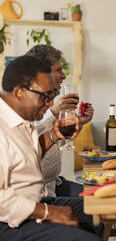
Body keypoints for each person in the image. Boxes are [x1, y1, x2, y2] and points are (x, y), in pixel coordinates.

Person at [0, 56, 102, 240]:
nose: (49, 104)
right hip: (8, 221)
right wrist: (47, 212)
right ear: (20, 92)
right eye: (46, 96)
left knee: (97, 213)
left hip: (36, 201)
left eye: (52, 96)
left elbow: (27, 157)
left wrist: (53, 136)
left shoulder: (21, 117)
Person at [26, 45, 94, 197]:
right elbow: (29, 143)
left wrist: (79, 122)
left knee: (98, 198)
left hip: (55, 184)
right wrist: (53, 113)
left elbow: (58, 141)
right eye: (58, 70)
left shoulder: (45, 100)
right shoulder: (22, 103)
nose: (63, 76)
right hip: (38, 194)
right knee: (94, 209)